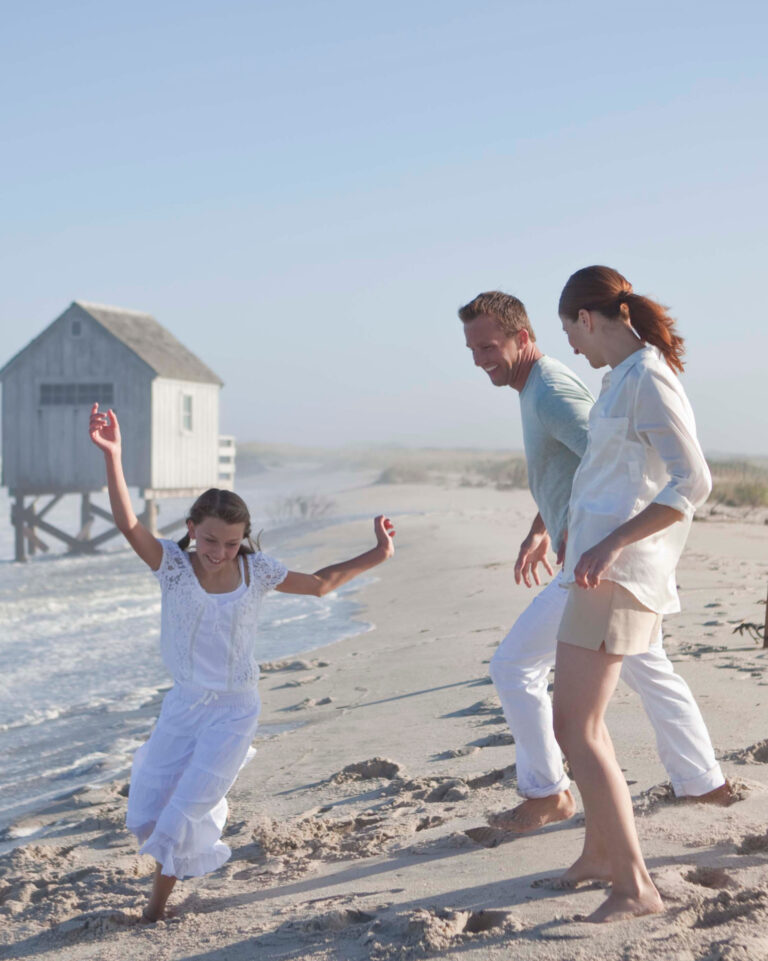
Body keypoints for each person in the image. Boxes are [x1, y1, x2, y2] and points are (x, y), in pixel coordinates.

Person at [88, 403, 396, 922]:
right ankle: (176, 865)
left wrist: (377, 554)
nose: (219, 552)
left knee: (185, 810)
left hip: (234, 712)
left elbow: (321, 585)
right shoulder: (172, 567)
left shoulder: (256, 571)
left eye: (231, 543)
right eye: (209, 539)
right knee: (146, 812)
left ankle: (154, 911)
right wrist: (113, 457)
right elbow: (127, 523)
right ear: (191, 529)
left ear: (244, 539)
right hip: (183, 707)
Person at [458, 291, 728, 838]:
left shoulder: (552, 389)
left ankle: (548, 794)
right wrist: (542, 525)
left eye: (489, 345)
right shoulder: (536, 386)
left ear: (522, 339)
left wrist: (589, 537)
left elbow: (609, 459)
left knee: (515, 666)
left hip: (596, 560)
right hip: (600, 555)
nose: (481, 358)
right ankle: (703, 783)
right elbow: (593, 465)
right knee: (648, 667)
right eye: (473, 348)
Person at [552, 265, 712, 921]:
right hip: (595, 574)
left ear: (587, 318)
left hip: (619, 577)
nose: (572, 348)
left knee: (575, 726)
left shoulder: (649, 377)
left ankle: (635, 886)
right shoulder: (619, 378)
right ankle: (598, 852)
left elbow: (693, 480)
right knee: (579, 723)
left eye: (569, 330)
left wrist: (612, 541)